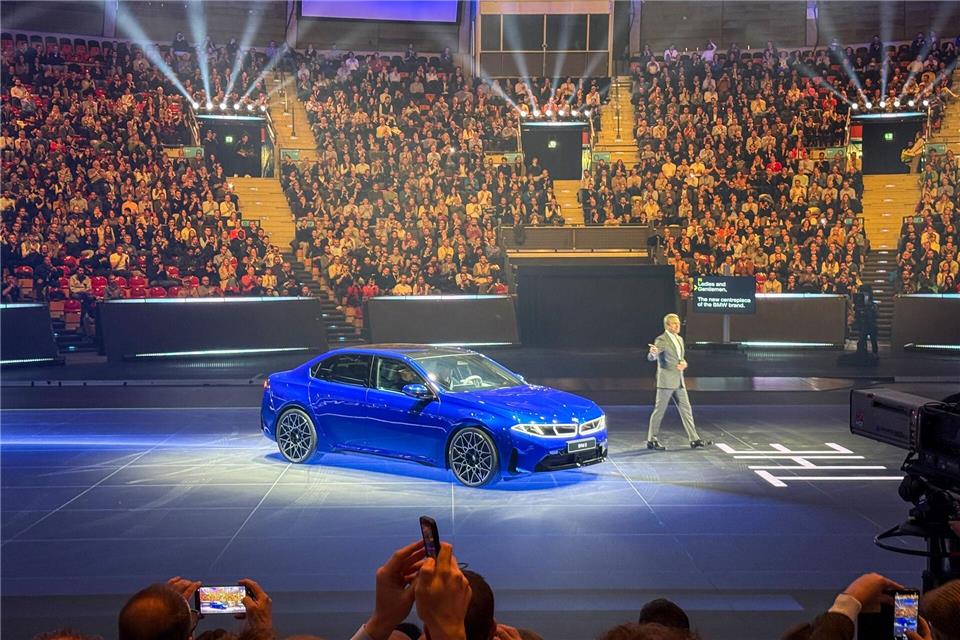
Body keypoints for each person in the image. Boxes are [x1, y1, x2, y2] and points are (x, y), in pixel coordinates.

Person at [646, 313, 710, 450]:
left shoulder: (679, 339)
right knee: (659, 411)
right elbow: (653, 356)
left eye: (678, 323)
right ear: (667, 325)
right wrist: (653, 352)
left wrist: (684, 363)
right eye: (674, 323)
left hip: (679, 381)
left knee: (686, 409)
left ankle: (694, 439)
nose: (677, 326)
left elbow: (680, 358)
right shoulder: (661, 339)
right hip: (666, 382)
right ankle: (651, 440)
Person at [854, 285, 879, 355]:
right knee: (863, 339)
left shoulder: (873, 304)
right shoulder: (859, 301)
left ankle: (873, 353)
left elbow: (876, 314)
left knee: (872, 339)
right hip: (863, 322)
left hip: (870, 323)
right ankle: (863, 352)